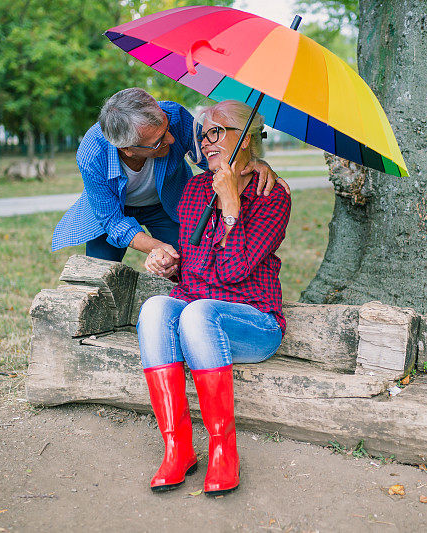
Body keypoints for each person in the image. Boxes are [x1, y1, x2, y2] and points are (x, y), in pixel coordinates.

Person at [136, 100, 291, 495]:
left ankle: (224, 452)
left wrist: (232, 208)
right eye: (204, 134)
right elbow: (198, 270)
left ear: (249, 138)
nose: (207, 142)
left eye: (218, 131)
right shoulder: (193, 190)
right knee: (155, 308)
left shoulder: (273, 196)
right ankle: (178, 448)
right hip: (199, 312)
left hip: (254, 323)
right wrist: (172, 264)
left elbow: (233, 271)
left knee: (198, 311)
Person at [51, 88, 286, 266]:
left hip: (165, 204)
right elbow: (113, 223)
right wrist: (158, 247)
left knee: (186, 263)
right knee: (99, 270)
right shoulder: (92, 154)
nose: (171, 140)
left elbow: (214, 155)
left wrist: (254, 161)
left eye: (167, 129)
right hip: (115, 209)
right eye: (159, 141)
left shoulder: (175, 115)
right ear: (128, 149)